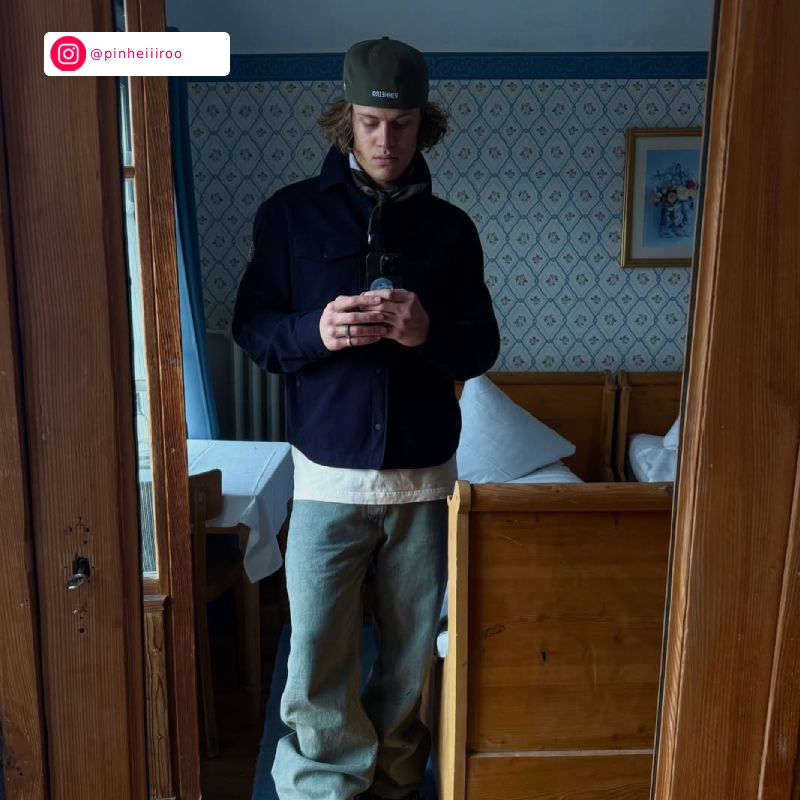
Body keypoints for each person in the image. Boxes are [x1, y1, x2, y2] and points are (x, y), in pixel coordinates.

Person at [232, 36, 500, 800]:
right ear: (345, 119)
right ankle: (321, 786)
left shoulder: (453, 231)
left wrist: (427, 334)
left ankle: (392, 783)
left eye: (403, 124)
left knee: (410, 658)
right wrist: (313, 331)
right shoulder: (289, 216)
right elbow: (253, 328)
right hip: (325, 480)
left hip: (425, 482)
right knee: (317, 652)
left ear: (424, 125)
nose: (387, 140)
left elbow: (481, 346)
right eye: (372, 123)